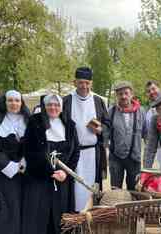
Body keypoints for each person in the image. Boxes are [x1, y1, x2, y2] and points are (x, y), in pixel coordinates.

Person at [22, 94, 79, 234]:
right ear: (44, 106)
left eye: (56, 105)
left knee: (60, 214)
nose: (53, 107)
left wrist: (65, 172)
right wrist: (49, 172)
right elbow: (29, 150)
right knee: (39, 215)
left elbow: (75, 152)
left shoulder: (70, 125)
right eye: (49, 104)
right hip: (39, 177)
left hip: (62, 178)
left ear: (61, 107)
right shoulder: (35, 121)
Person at [63, 67, 110, 212]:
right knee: (74, 187)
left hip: (93, 153)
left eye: (87, 83)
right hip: (73, 153)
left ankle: (92, 215)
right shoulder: (66, 101)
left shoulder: (98, 101)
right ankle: (74, 216)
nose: (84, 86)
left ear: (91, 83)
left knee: (92, 186)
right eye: (80, 82)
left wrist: (101, 130)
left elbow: (107, 125)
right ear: (74, 82)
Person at [0, 90, 30, 234]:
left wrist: (25, 161)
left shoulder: (27, 119)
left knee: (25, 203)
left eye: (17, 100)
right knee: (11, 205)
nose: (14, 104)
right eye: (10, 100)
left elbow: (33, 144)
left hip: (24, 169)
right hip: (3, 170)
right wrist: (8, 166)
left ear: (21, 103)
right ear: (4, 102)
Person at [108, 81, 146, 190]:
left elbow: (146, 134)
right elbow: (106, 132)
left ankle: (132, 208)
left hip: (134, 158)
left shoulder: (141, 111)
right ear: (116, 96)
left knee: (134, 190)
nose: (123, 96)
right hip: (116, 157)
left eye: (126, 93)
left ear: (132, 94)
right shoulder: (111, 111)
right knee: (115, 190)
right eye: (120, 94)